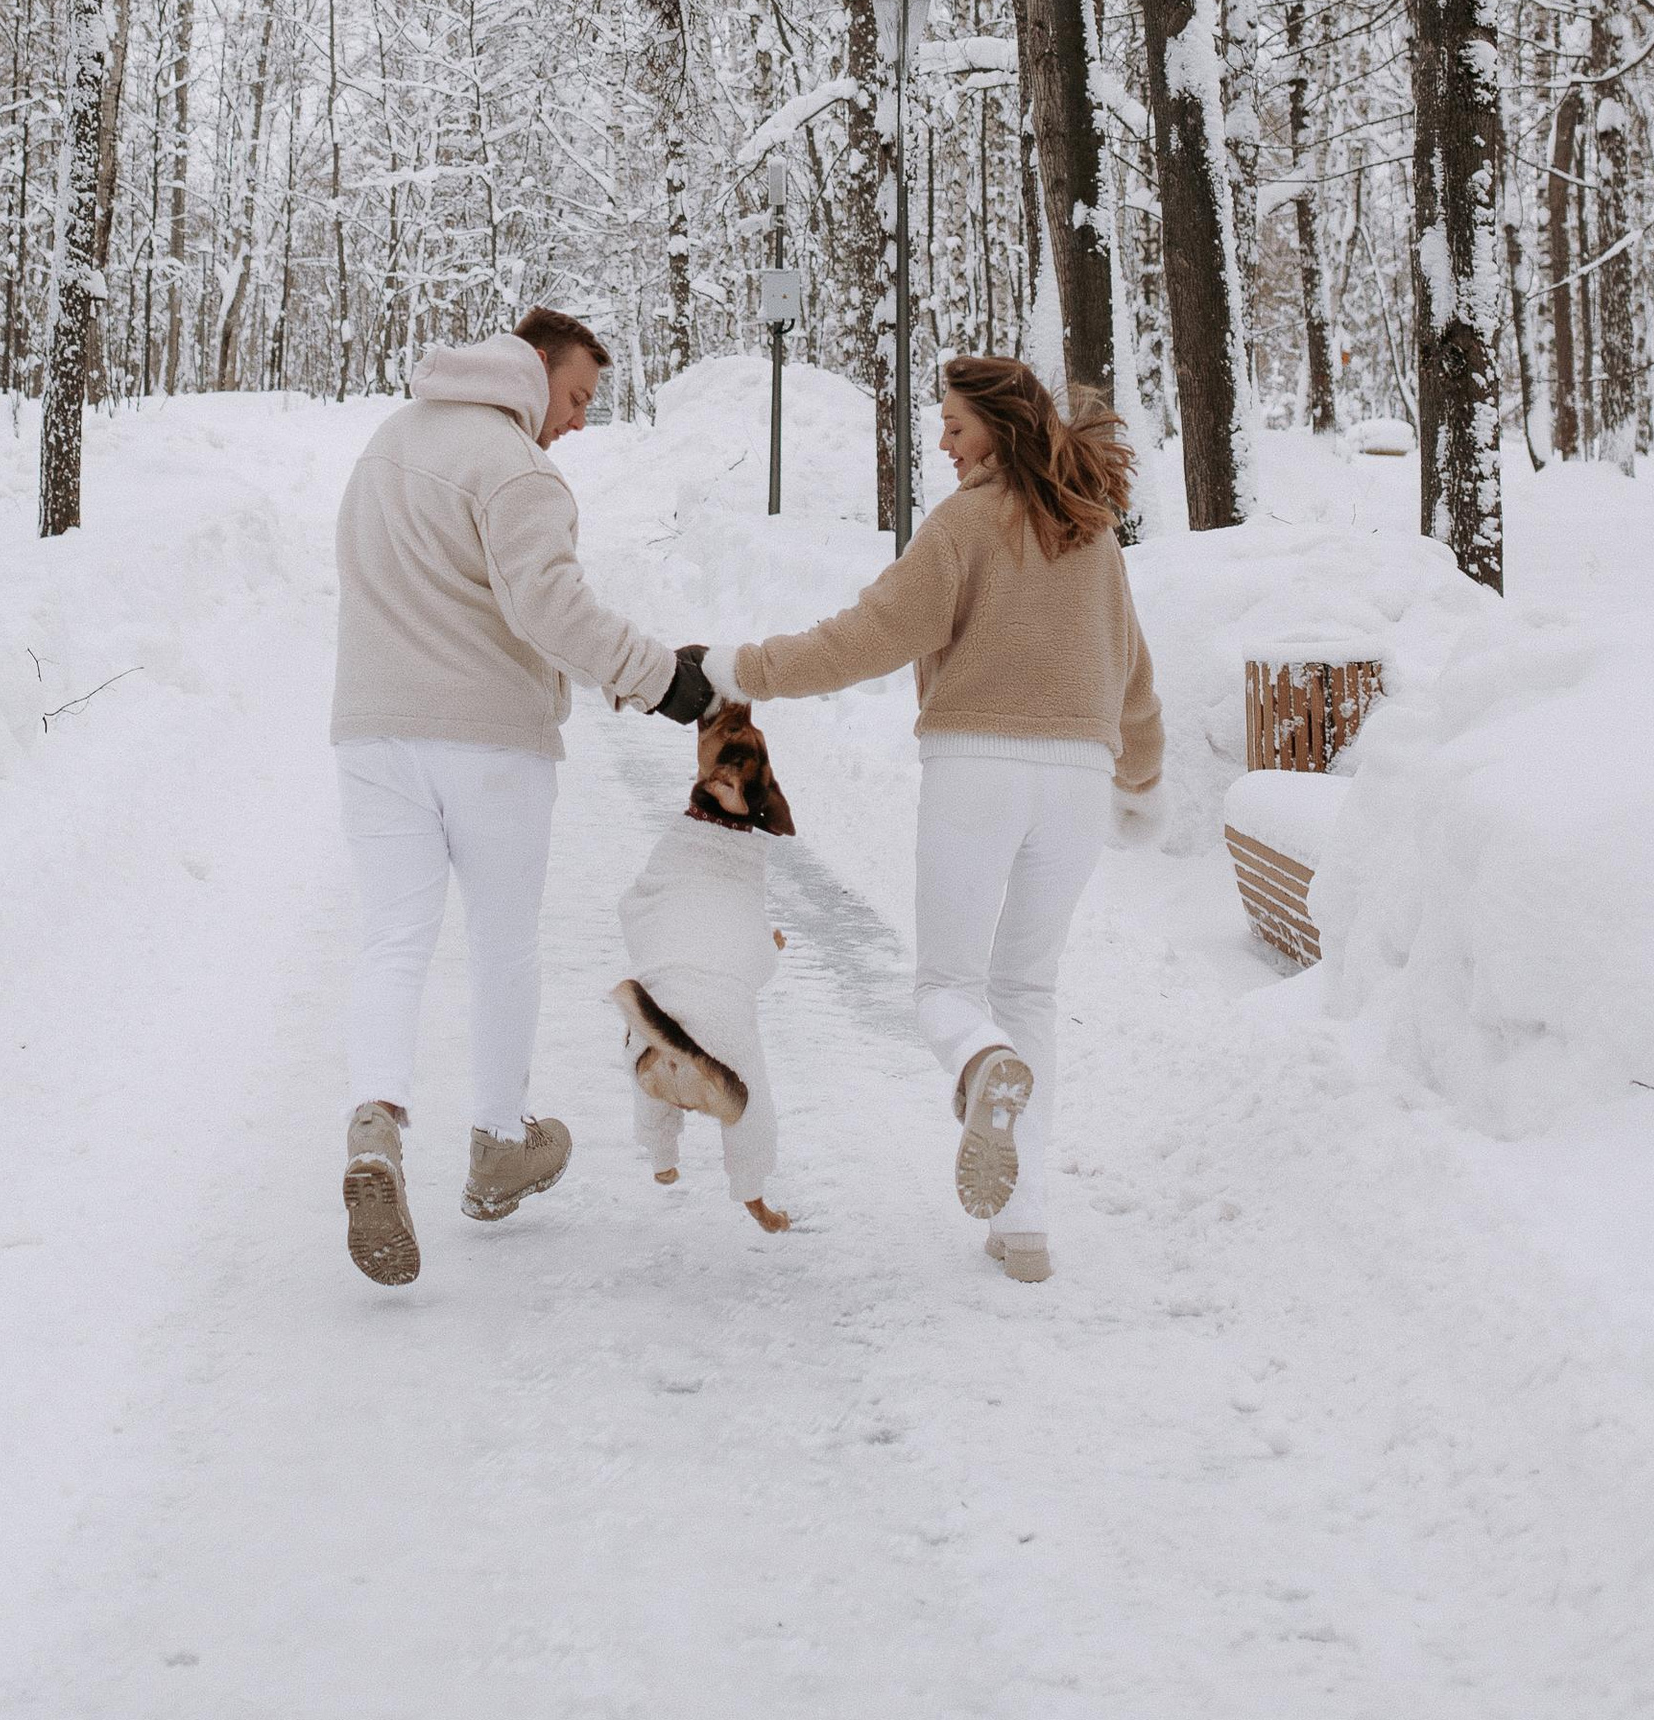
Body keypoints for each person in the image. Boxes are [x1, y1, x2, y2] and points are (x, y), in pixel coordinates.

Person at [698, 356, 1161, 1284]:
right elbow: (1136, 678)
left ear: (1001, 425)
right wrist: (1142, 786)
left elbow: (864, 637)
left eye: (955, 427)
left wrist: (739, 669)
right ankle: (1022, 1227)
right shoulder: (1092, 534)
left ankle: (979, 1059)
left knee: (949, 988)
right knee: (1029, 988)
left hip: (977, 768)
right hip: (1077, 781)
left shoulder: (963, 524)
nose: (943, 445)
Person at [332, 305, 717, 1287]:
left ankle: (375, 1121)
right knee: (502, 940)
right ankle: (499, 1143)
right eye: (578, 396)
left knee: (392, 937)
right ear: (534, 371)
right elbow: (549, 608)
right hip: (489, 741)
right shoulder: (516, 469)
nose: (579, 421)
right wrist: (657, 678)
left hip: (375, 732)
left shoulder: (387, 442)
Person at [611, 706, 796, 1234]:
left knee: (659, 1021)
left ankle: (661, 1158)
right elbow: (749, 957)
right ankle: (755, 1198)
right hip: (721, 1055)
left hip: (653, 1037)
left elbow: (637, 909)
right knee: (749, 1098)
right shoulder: (745, 867)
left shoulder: (677, 848)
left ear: (722, 782)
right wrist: (767, 944)